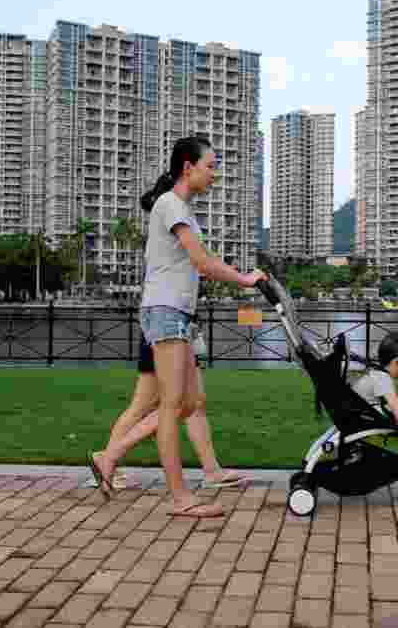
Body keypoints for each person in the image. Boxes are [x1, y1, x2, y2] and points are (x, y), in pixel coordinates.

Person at [138, 135, 266, 518]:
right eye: (210, 166)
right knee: (172, 405)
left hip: (178, 314)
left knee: (190, 403)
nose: (215, 174)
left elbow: (203, 257)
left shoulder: (182, 208)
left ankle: (111, 454)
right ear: (187, 167)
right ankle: (181, 499)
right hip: (165, 311)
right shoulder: (170, 204)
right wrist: (244, 279)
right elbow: (202, 262)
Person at [88, 333, 247, 495]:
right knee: (148, 405)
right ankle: (107, 458)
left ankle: (211, 469)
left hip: (178, 332)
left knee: (192, 403)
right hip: (167, 333)